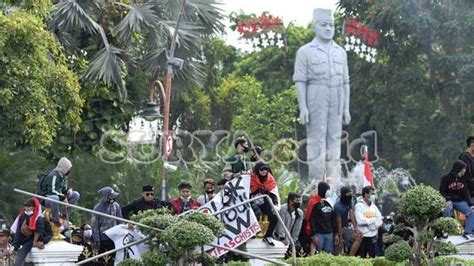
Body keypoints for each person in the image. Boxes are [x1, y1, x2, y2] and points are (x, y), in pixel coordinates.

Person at [293, 8, 351, 183]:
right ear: (315, 26)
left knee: (334, 137)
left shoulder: (340, 52)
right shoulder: (305, 51)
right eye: (324, 25)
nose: (328, 28)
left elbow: (346, 82)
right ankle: (316, 180)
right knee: (317, 137)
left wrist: (346, 108)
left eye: (331, 25)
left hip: (337, 95)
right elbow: (300, 81)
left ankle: (334, 180)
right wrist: (303, 107)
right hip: (316, 94)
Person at [40, 157, 80, 228]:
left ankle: (64, 214)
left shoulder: (64, 176)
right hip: (48, 198)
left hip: (59, 197)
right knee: (54, 198)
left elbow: (63, 189)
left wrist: (68, 190)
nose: (69, 170)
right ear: (63, 167)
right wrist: (63, 197)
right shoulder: (53, 175)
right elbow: (51, 191)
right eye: (68, 168)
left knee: (76, 194)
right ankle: (55, 219)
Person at [11, 198, 53, 266]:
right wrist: (15, 247)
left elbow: (50, 234)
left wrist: (43, 242)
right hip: (26, 240)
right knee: (17, 261)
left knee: (39, 220)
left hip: (39, 240)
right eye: (26, 206)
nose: (27, 208)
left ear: (34, 207)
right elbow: (18, 232)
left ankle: (35, 242)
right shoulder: (23, 216)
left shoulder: (42, 218)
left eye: (29, 206)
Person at [439, 160, 473, 239]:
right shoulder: (445, 178)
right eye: (463, 169)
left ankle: (467, 232)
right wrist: (447, 199)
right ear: (458, 169)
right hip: (448, 200)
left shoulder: (463, 178)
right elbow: (441, 191)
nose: (465, 171)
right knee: (447, 210)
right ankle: (445, 232)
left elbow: (466, 192)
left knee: (471, 213)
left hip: (460, 201)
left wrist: (471, 204)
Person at [250, 162, 280, 246]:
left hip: (264, 201)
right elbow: (249, 191)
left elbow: (273, 193)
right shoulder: (251, 178)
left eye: (265, 169)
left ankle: (268, 235)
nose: (264, 171)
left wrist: (275, 205)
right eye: (261, 169)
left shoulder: (270, 179)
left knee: (275, 216)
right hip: (251, 201)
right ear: (257, 170)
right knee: (256, 213)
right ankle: (252, 233)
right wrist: (258, 191)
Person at [92, 187, 122, 266]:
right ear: (105, 197)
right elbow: (94, 225)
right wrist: (96, 239)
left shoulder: (116, 206)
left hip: (114, 238)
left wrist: (120, 235)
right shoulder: (97, 208)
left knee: (113, 259)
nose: (113, 198)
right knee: (101, 260)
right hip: (103, 239)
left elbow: (120, 221)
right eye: (110, 196)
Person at [354, 186, 383, 258]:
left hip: (373, 237)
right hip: (363, 237)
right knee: (362, 258)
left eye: (374, 194)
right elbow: (360, 221)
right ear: (365, 194)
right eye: (372, 194)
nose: (373, 196)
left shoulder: (373, 206)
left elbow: (380, 220)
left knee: (373, 258)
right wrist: (373, 220)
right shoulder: (359, 206)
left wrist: (371, 224)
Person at [334, 186, 362, 256]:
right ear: (344, 195)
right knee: (339, 244)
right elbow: (338, 223)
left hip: (345, 227)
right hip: (336, 229)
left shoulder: (349, 201)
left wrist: (356, 229)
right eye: (349, 195)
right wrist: (340, 237)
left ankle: (350, 257)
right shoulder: (337, 206)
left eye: (351, 194)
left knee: (359, 236)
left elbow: (352, 214)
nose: (351, 196)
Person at [309, 182, 336, 254]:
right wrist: (313, 234)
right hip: (319, 233)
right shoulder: (314, 202)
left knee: (328, 253)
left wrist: (335, 233)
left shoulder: (329, 202)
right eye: (327, 190)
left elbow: (333, 218)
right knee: (318, 252)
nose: (329, 192)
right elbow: (311, 219)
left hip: (329, 232)